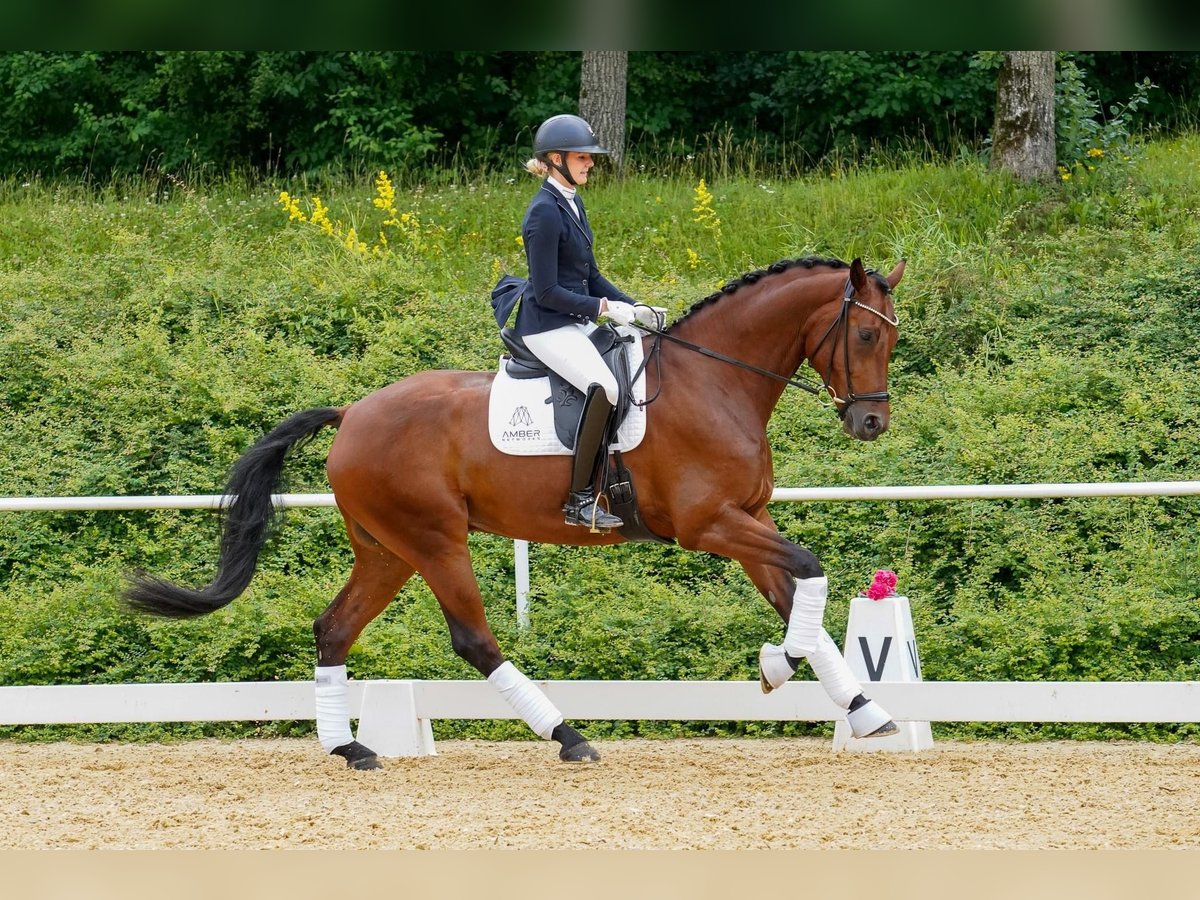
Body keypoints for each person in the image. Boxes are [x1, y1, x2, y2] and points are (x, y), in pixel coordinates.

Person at [514, 113, 662, 530]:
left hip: (573, 318)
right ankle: (579, 500)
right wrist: (602, 309)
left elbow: (591, 276)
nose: (591, 164)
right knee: (606, 386)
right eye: (583, 157)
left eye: (590, 157)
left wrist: (637, 308)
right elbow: (546, 292)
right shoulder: (543, 212)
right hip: (546, 325)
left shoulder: (572, 203)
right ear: (556, 158)